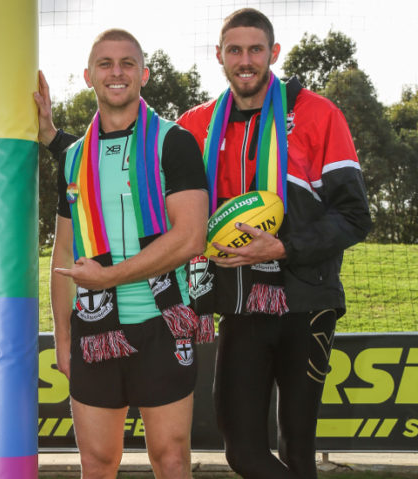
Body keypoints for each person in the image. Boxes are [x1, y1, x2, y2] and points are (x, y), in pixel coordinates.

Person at [176, 9, 372, 478]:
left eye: (255, 49)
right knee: (242, 452)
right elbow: (132, 165)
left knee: (299, 454)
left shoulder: (319, 114)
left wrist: (283, 247)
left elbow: (354, 216)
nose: (246, 60)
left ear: (273, 53)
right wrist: (62, 142)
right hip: (240, 306)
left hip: (308, 302)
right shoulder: (197, 125)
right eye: (235, 50)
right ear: (220, 57)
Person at [35, 29, 211, 478]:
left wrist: (111, 278)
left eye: (127, 63)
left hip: (163, 323)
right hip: (94, 329)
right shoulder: (73, 158)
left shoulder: (175, 143)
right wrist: (61, 333)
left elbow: (190, 237)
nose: (117, 72)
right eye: (106, 64)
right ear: (89, 76)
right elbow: (66, 250)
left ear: (143, 75)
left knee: (169, 457)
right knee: (97, 462)